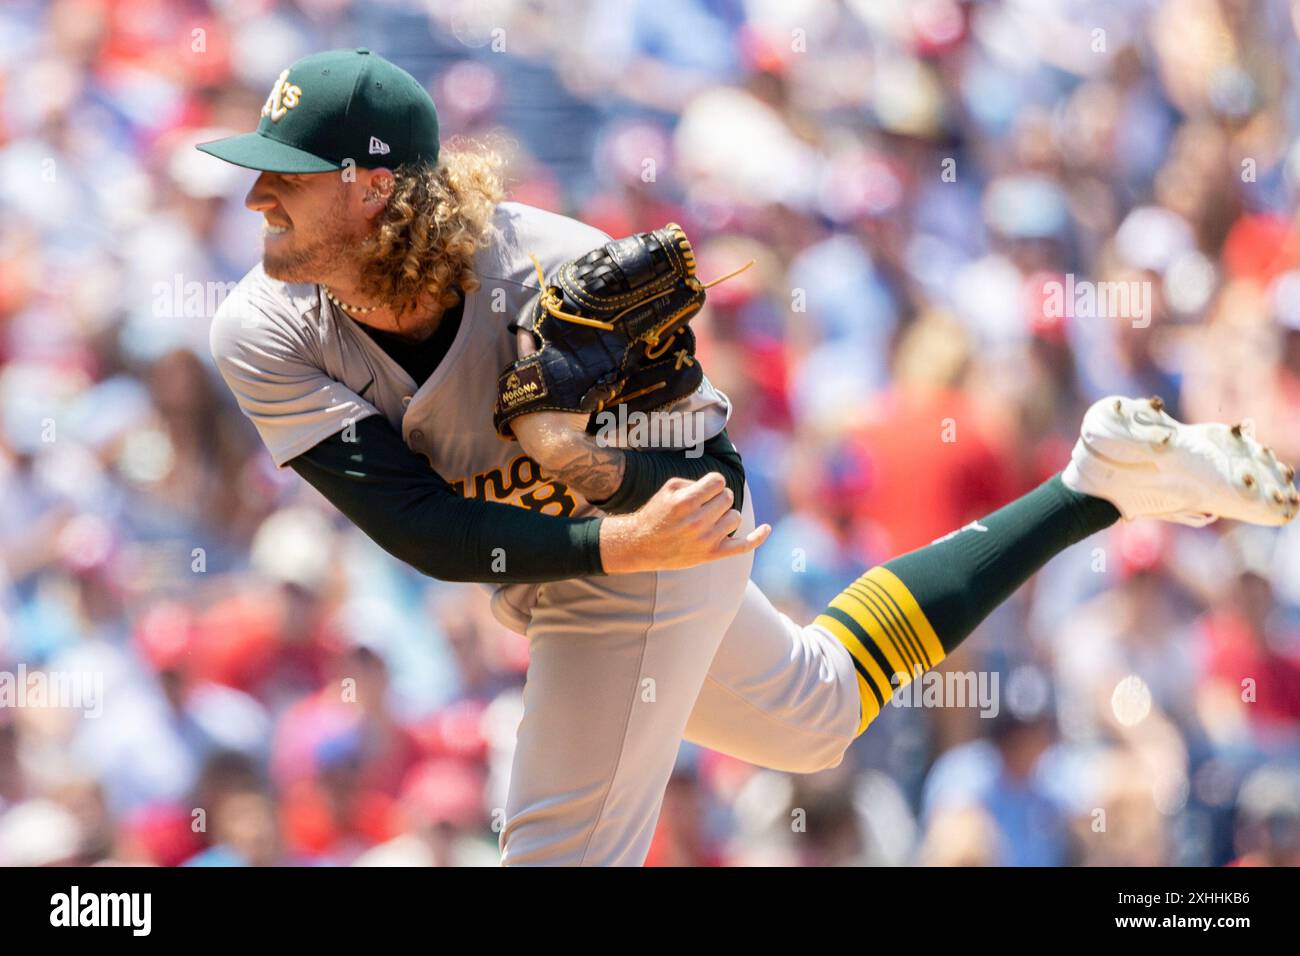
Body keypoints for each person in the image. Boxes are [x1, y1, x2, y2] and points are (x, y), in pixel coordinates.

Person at [200, 49, 1298, 866]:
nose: (255, 196)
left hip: (657, 541)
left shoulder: (557, 276)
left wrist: (594, 476)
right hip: (577, 546)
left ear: (372, 187)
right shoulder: (266, 327)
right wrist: (598, 518)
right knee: (811, 714)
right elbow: (424, 532)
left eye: (284, 176)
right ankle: (1092, 482)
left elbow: (715, 494)